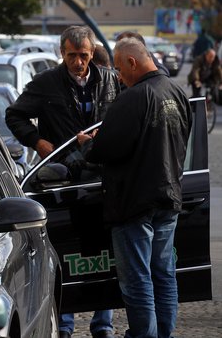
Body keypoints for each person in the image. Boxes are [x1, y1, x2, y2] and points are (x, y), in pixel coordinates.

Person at [5, 25, 119, 338]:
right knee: (64, 253)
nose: (79, 62)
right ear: (62, 53)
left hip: (101, 178)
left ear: (92, 53)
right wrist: (38, 142)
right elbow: (14, 116)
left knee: (103, 253)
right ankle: (65, 323)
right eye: (72, 56)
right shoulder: (45, 83)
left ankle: (103, 323)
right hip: (60, 180)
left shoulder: (110, 80)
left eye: (84, 56)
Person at [77, 37, 192, 338]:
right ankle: (161, 334)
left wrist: (88, 146)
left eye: (118, 68)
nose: (117, 76)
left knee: (138, 280)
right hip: (168, 199)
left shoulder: (133, 98)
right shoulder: (177, 93)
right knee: (163, 276)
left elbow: (106, 150)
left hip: (133, 204)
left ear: (131, 62)